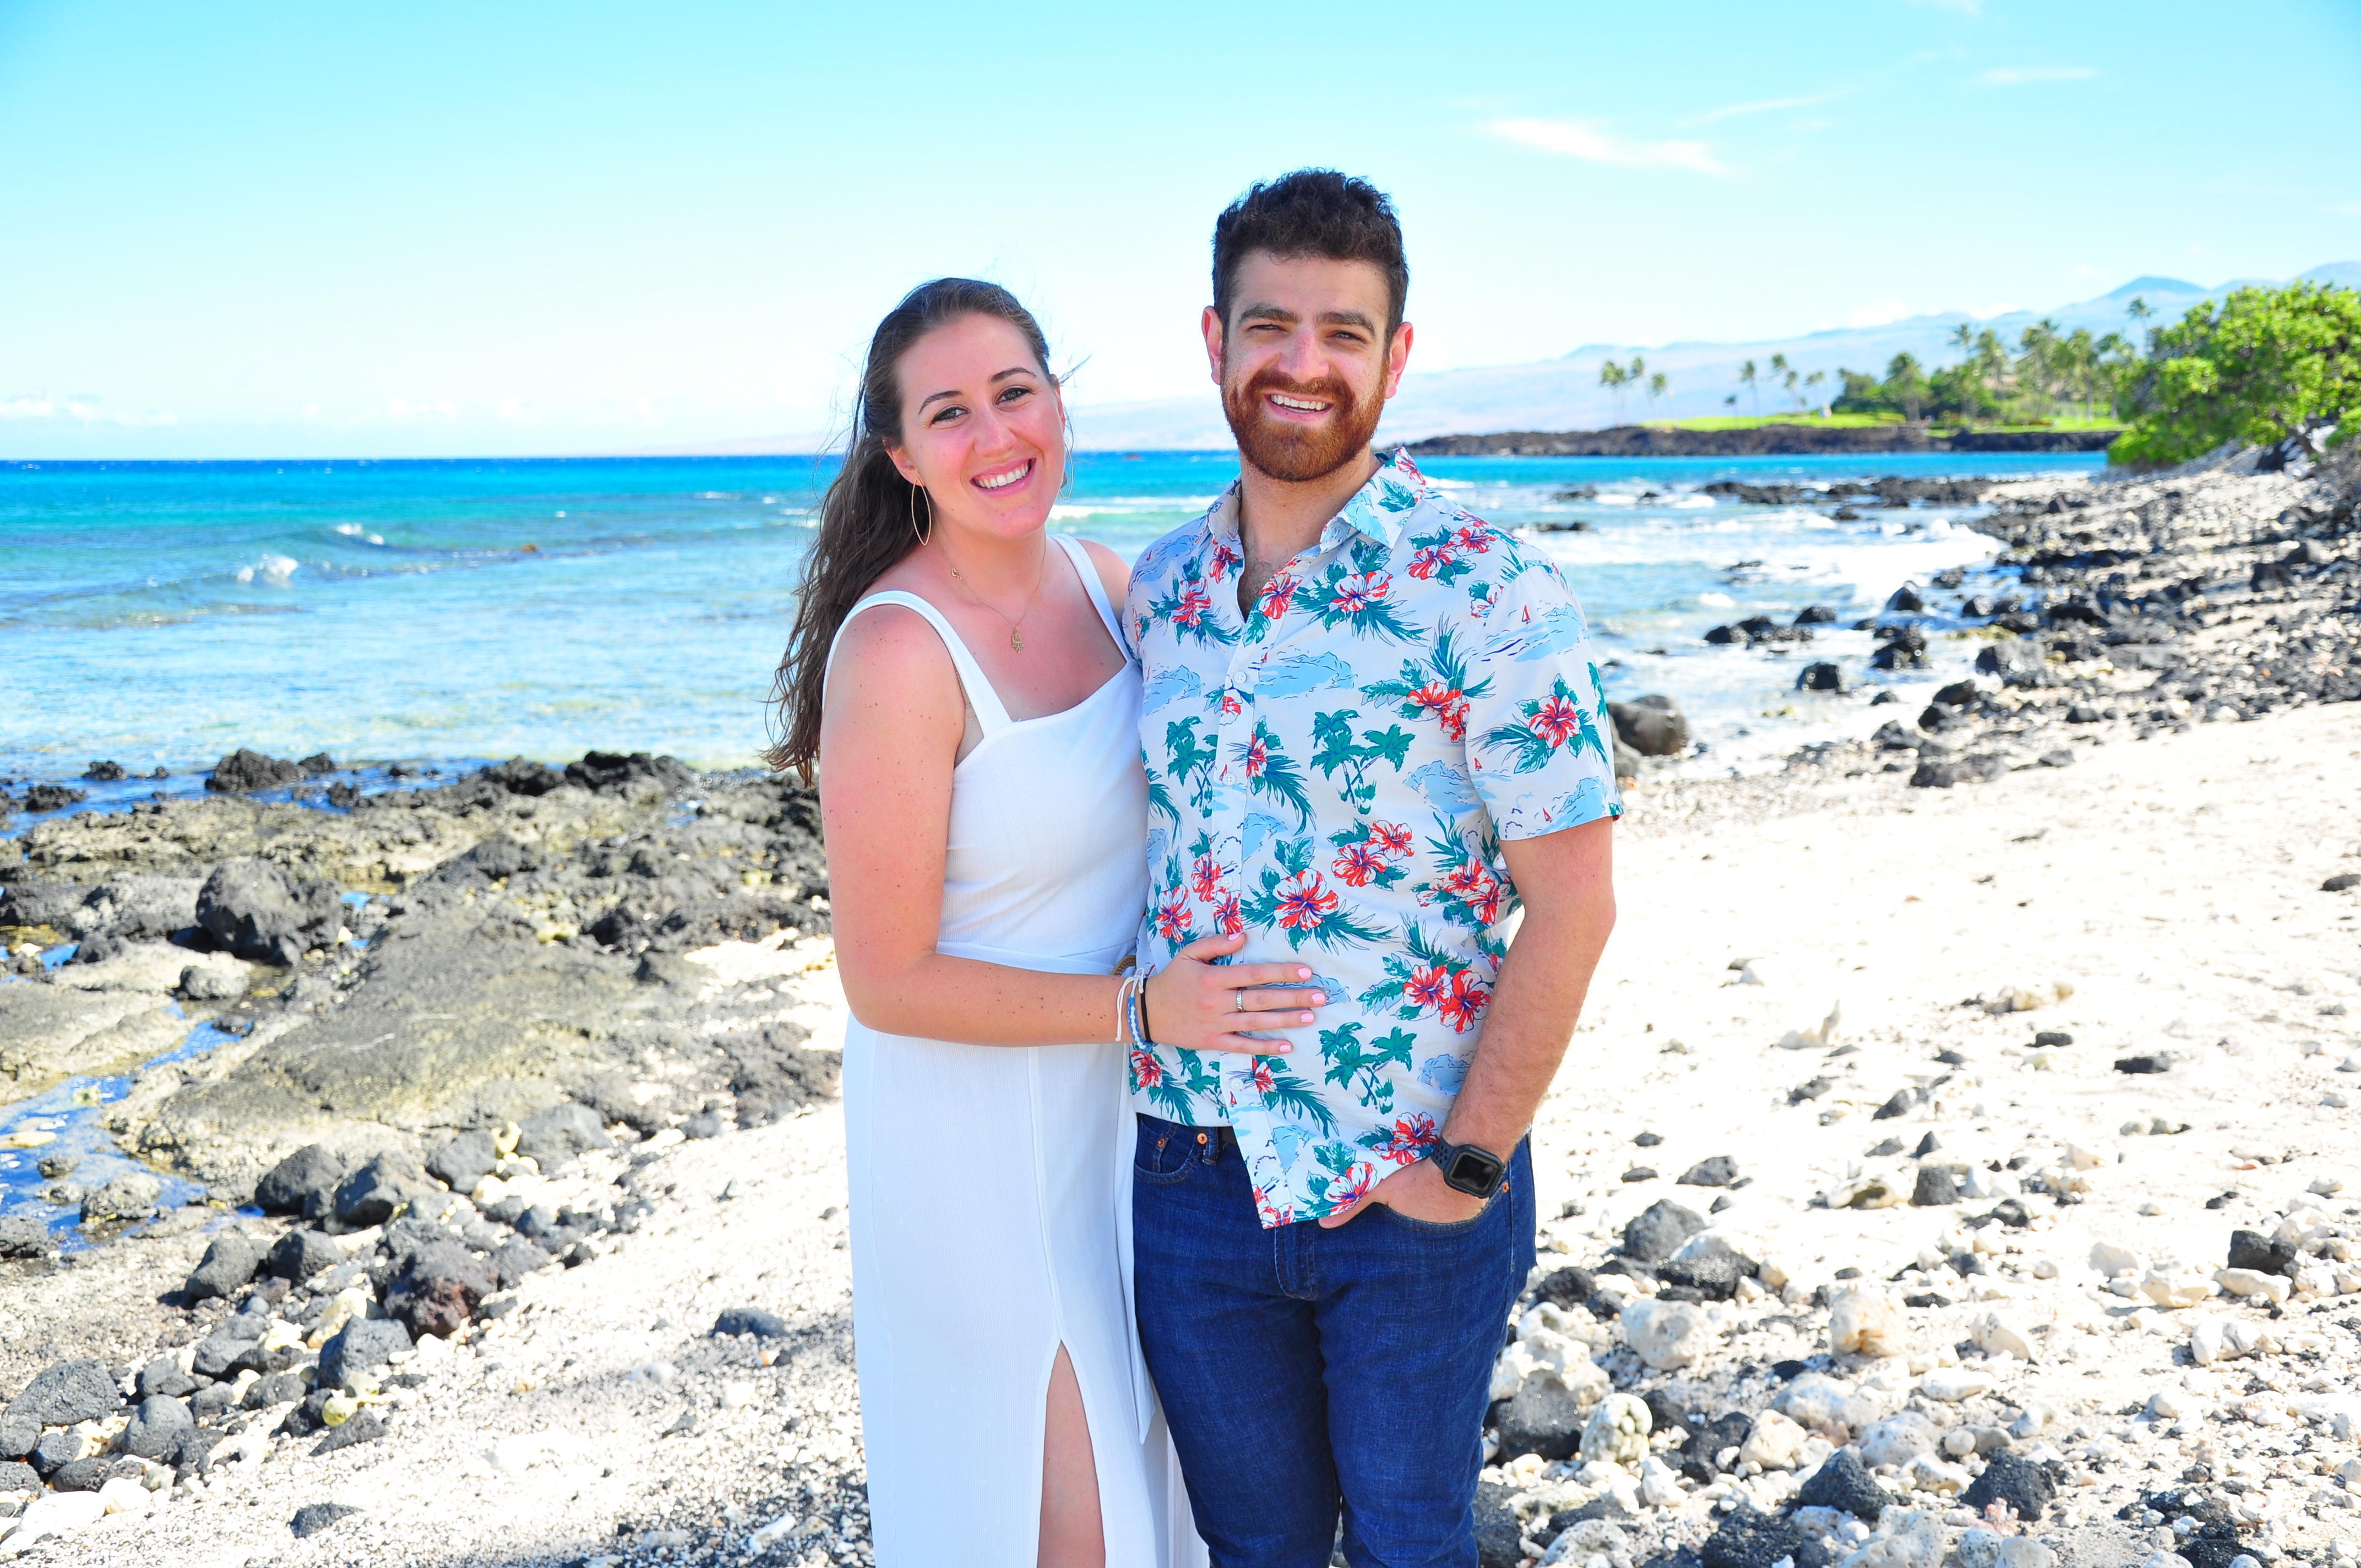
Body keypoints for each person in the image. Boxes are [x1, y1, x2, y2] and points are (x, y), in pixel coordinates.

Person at [768, 277, 1325, 1567]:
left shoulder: (1111, 583)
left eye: (1014, 391)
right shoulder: (898, 652)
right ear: (902, 455)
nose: (994, 433)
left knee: (1156, 1474)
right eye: (948, 412)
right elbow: (882, 977)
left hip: (1130, 1117)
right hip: (973, 1138)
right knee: (1048, 1500)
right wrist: (1139, 1006)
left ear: (1058, 402)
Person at [1124, 172, 1623, 1566]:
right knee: (1251, 1550)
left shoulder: (1487, 585)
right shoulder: (1155, 589)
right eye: (1269, 323)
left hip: (1410, 1179)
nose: (1301, 363)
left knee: (1414, 1540)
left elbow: (1573, 898)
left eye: (1342, 332)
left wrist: (1466, 1159)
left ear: (1395, 357)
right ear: (1213, 341)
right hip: (1187, 1175)